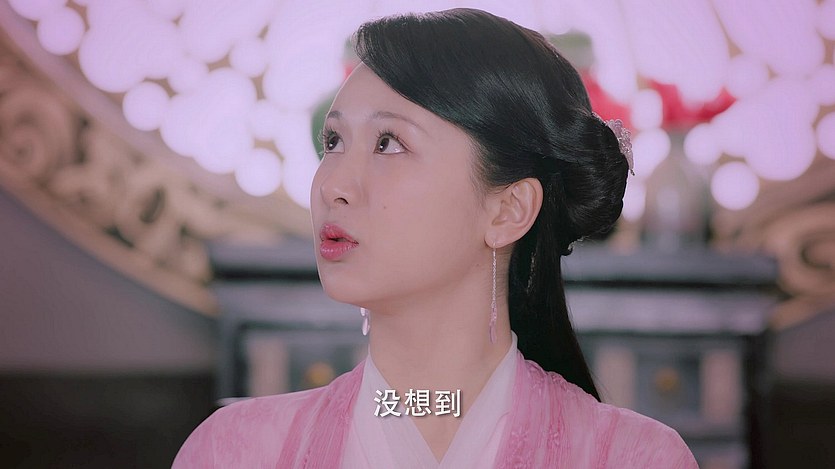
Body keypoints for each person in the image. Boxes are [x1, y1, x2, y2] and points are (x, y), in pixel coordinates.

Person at [173, 8, 698, 468]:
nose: (332, 184)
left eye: (388, 143)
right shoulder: (234, 452)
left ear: (509, 209)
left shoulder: (633, 458)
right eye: (333, 141)